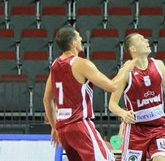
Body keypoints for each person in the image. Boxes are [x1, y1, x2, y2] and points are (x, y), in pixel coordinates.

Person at [43, 27, 136, 161]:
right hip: (80, 125)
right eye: (78, 36)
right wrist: (125, 69)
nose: (81, 39)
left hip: (63, 129)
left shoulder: (55, 65)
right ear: (73, 43)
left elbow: (47, 99)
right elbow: (112, 86)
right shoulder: (81, 63)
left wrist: (54, 127)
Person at [109, 32, 165, 161]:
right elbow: (112, 104)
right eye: (141, 39)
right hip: (136, 130)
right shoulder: (126, 72)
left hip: (158, 127)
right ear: (133, 48)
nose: (147, 40)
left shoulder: (159, 65)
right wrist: (122, 113)